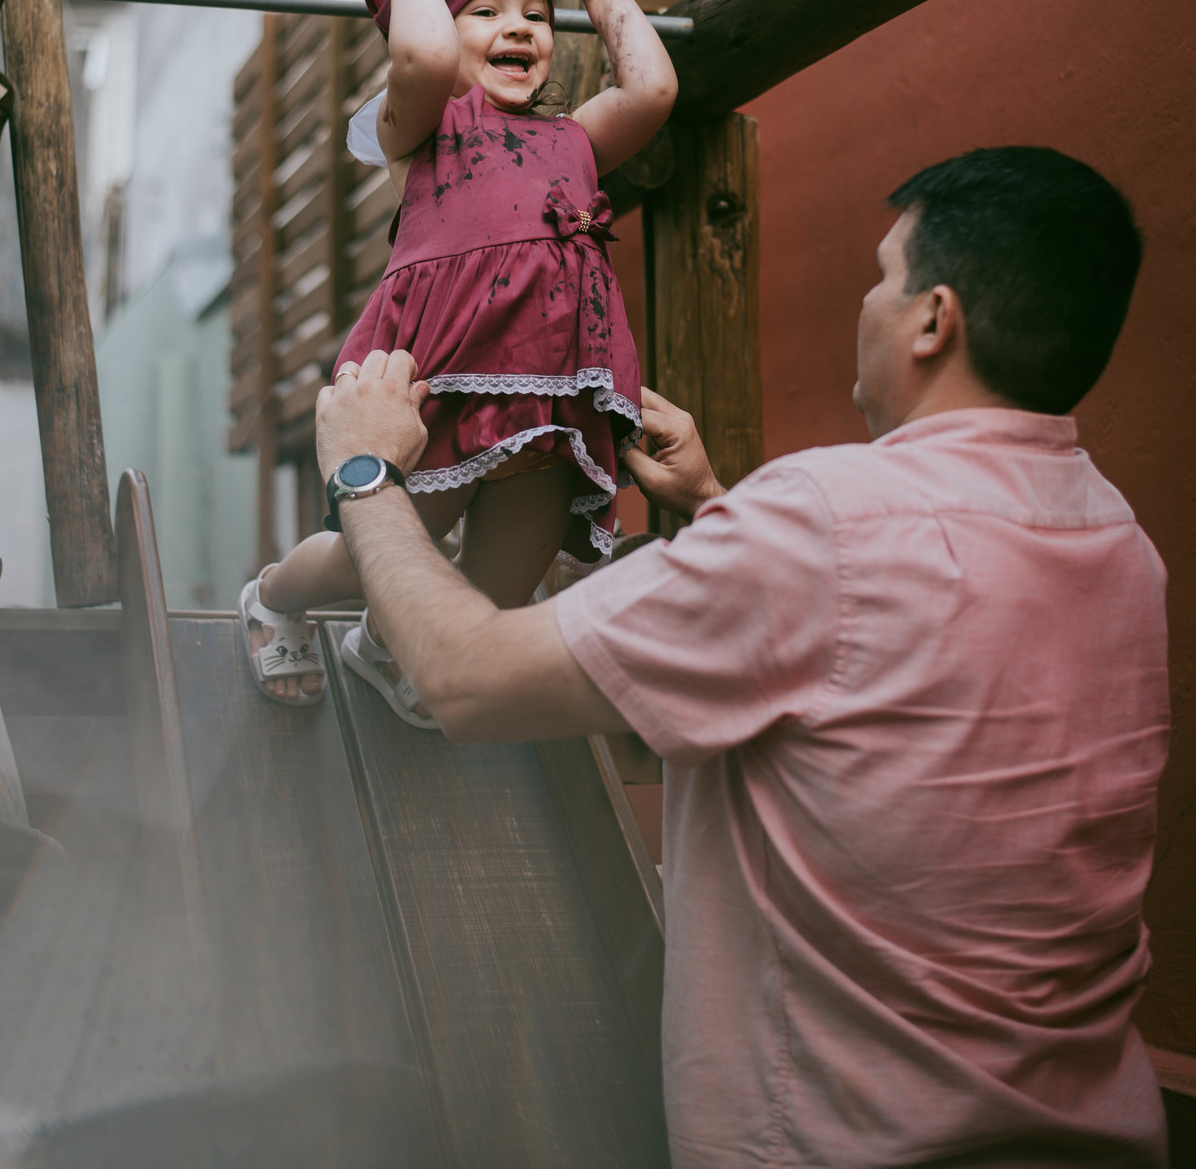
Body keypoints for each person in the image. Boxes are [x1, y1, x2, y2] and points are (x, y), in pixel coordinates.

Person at [311, 145, 1170, 1168]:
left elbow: (464, 676)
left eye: (883, 276)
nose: (868, 301)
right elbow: (887, 671)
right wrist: (719, 509)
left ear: (934, 320)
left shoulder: (822, 523)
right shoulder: (1118, 540)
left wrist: (367, 473)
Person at [239, 0, 677, 718]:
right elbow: (424, 58)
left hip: (551, 402)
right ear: (443, 24)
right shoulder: (424, 128)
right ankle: (273, 597)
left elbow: (651, 91)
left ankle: (381, 647)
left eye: (537, 15)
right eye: (487, 11)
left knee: (502, 584)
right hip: (441, 384)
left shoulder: (573, 139)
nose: (520, 26)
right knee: (371, 554)